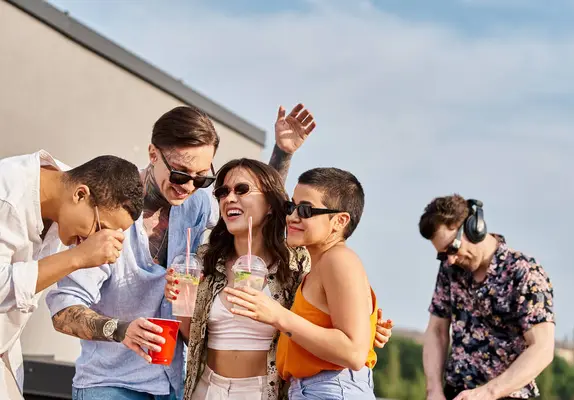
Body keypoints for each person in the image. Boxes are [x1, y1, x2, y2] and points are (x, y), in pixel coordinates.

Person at [46, 103, 316, 400]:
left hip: (172, 385)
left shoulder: (196, 203)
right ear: (153, 154)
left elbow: (253, 208)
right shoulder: (107, 212)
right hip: (110, 385)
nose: (189, 186)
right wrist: (121, 330)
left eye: (202, 178)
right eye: (180, 174)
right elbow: (63, 311)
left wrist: (283, 152)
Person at [167, 161, 391, 400]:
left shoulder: (300, 264)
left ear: (271, 205)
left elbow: (344, 333)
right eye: (222, 192)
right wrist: (182, 305)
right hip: (208, 388)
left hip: (270, 391)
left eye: (242, 190)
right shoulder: (204, 260)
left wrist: (368, 329)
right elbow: (195, 338)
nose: (229, 198)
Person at [224, 167, 380, 400]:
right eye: (291, 207)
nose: (292, 216)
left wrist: (277, 315)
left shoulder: (339, 260)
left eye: (305, 210)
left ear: (339, 221)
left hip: (331, 389)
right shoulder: (320, 266)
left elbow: (354, 352)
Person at [0, 150, 144, 400]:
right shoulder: (7, 194)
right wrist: (77, 257)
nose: (97, 241)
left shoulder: (68, 189)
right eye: (100, 229)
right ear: (81, 194)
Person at [418, 195, 555, 400]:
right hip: (455, 393)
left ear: (474, 228)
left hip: (507, 395)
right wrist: (434, 390)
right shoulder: (450, 268)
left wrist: (488, 392)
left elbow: (542, 348)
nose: (451, 259)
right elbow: (436, 331)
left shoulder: (525, 272)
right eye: (443, 254)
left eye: (453, 248)